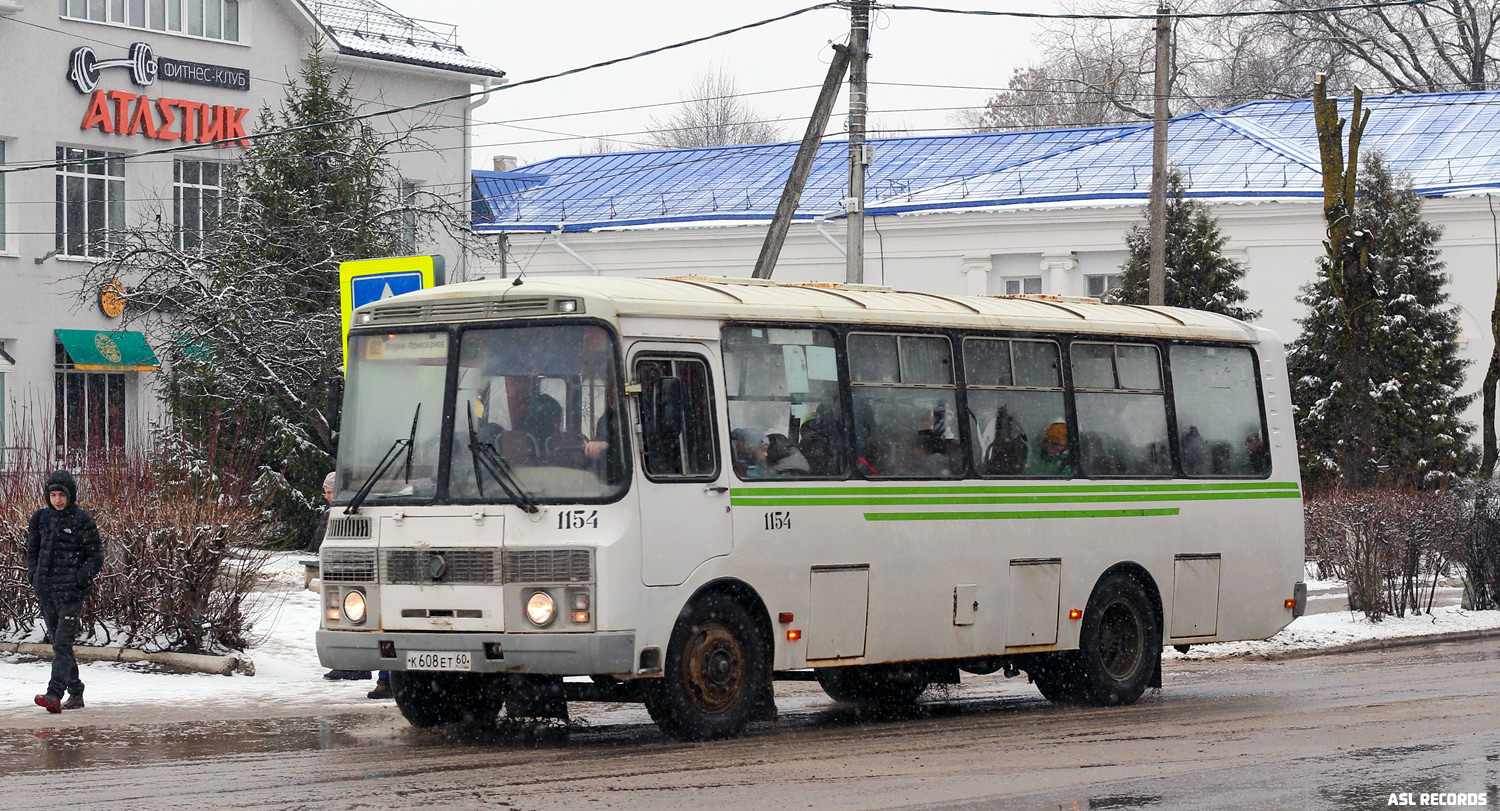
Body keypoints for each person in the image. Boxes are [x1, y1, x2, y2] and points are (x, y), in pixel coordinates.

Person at [26, 470, 103, 713]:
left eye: (62, 495)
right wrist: (34, 576)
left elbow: (96, 556)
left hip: (71, 595)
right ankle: (76, 692)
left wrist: (79, 580)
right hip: (47, 593)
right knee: (62, 646)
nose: (57, 500)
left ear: (70, 496)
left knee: (61, 644)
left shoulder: (82, 520)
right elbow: (32, 551)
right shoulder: (41, 519)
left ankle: (54, 693)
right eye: (53, 495)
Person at [322, 472, 372, 684]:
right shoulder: (338, 510)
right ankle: (346, 663)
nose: (327, 496)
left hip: (352, 572)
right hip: (340, 570)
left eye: (329, 492)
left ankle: (354, 665)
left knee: (350, 617)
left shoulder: (351, 512)